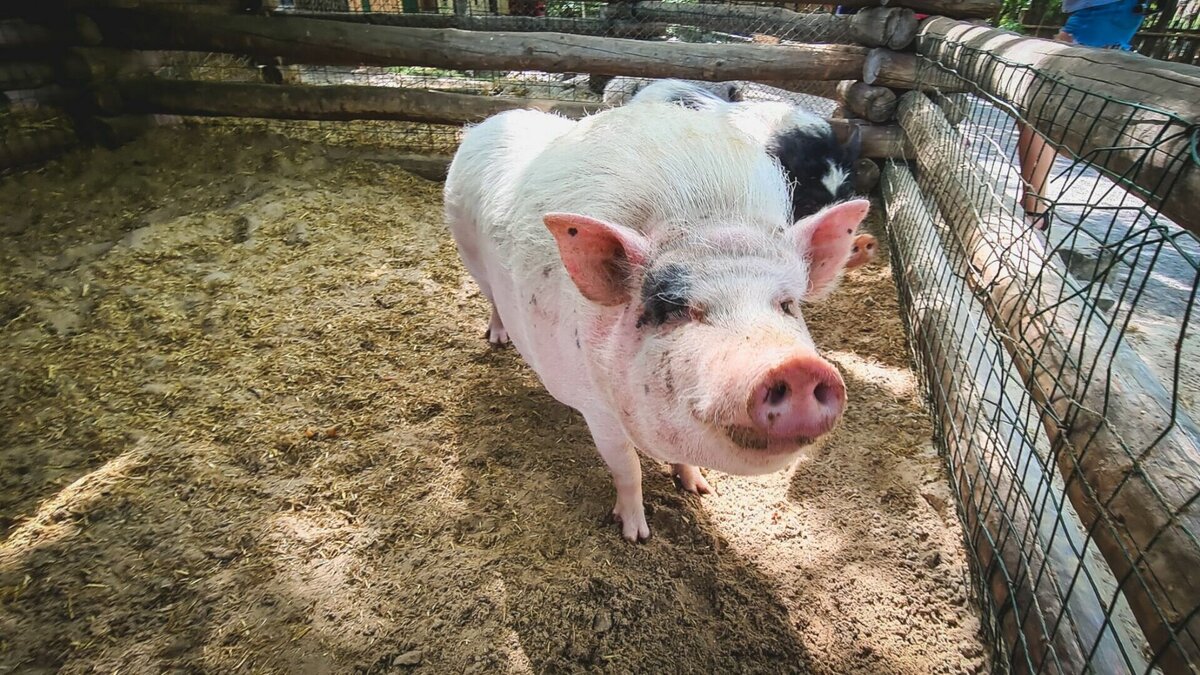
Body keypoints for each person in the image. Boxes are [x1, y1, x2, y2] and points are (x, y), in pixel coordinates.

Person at [1016, 0, 1147, 230]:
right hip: (1104, 13)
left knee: (1039, 108)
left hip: (1101, 14)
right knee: (1039, 108)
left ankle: (1034, 209)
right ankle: (1034, 202)